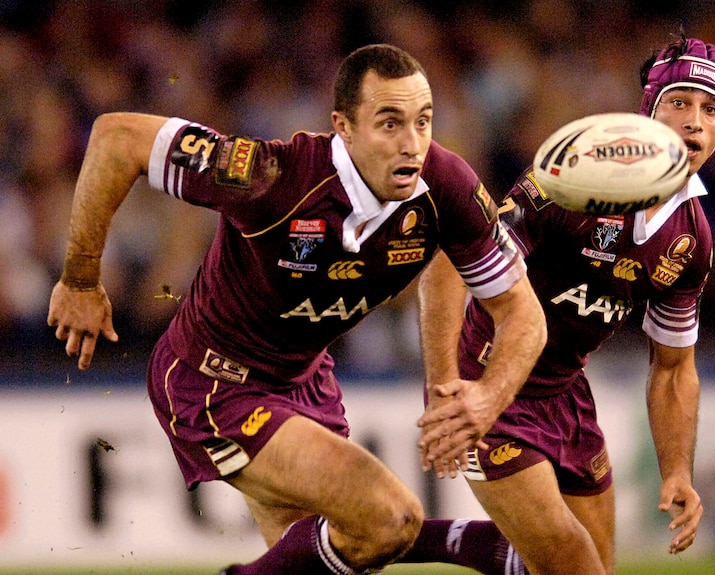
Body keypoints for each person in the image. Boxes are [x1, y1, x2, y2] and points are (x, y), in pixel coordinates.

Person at [47, 44, 550, 575]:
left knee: (326, 558)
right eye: (389, 123)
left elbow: (523, 312)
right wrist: (80, 278)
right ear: (344, 127)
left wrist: (486, 398)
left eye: (423, 121)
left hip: (306, 382)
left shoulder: (446, 188)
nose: (412, 144)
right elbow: (115, 136)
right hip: (213, 380)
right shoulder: (271, 177)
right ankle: (473, 545)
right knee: (390, 518)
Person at [417, 33, 715, 575]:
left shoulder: (693, 240)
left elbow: (673, 367)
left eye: (711, 110)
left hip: (568, 397)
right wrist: (444, 388)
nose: (693, 121)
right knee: (572, 564)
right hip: (493, 386)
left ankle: (407, 536)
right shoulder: (575, 181)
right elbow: (453, 261)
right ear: (647, 113)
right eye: (679, 102)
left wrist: (677, 471)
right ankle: (407, 535)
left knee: (594, 569)